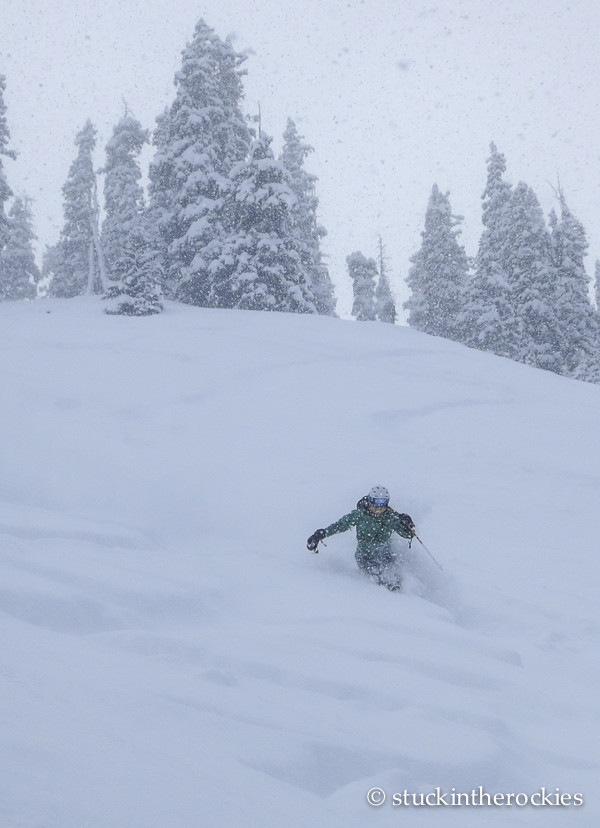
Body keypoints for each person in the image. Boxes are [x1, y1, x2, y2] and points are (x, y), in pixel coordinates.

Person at [307, 486, 416, 591]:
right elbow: (340, 525)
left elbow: (408, 535)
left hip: (386, 555)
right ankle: (381, 594)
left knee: (394, 572)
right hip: (365, 556)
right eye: (376, 502)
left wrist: (408, 525)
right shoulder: (360, 515)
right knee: (378, 575)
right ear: (370, 501)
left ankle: (401, 593)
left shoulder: (391, 517)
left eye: (383, 502)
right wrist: (321, 534)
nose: (379, 507)